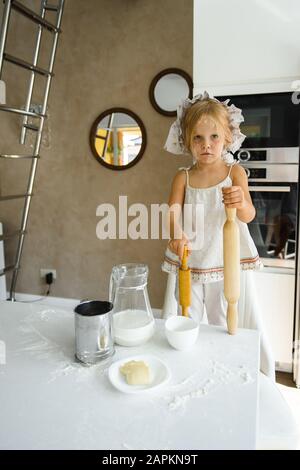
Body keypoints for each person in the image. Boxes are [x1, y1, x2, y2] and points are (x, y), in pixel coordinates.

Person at [162, 91, 262, 326]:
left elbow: (248, 215)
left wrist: (241, 202)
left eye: (214, 136)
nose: (206, 144)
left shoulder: (234, 173)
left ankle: (219, 358)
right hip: (191, 256)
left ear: (228, 136)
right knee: (187, 313)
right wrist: (176, 234)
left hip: (223, 257)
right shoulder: (183, 177)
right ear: (186, 140)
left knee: (221, 316)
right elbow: (172, 212)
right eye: (197, 137)